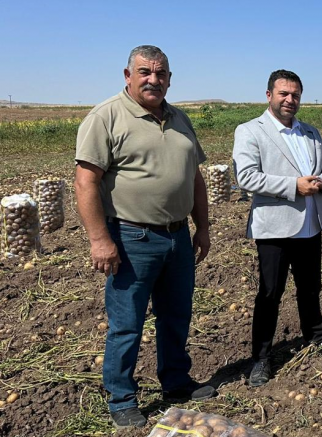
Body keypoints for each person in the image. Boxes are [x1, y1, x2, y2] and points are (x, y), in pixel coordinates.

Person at [74, 45, 215, 428]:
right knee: (127, 323)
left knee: (176, 315)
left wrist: (202, 226)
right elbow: (86, 182)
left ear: (169, 78)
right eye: (145, 72)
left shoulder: (180, 117)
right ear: (128, 75)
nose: (154, 79)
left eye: (161, 73)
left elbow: (195, 178)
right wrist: (100, 240)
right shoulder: (106, 117)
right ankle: (121, 397)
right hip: (131, 237)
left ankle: (175, 383)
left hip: (177, 237)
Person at [232, 70, 322, 387]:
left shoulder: (310, 133)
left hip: (309, 226)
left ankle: (316, 338)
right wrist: (294, 185)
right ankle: (262, 358)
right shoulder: (251, 131)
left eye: (295, 95)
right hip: (274, 228)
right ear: (269, 95)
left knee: (310, 288)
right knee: (270, 293)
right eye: (283, 94)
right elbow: (247, 178)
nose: (289, 100)